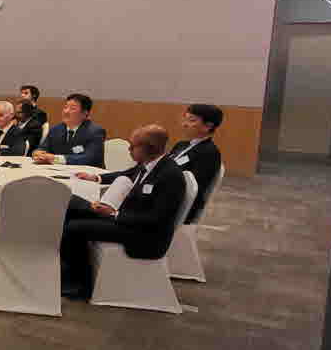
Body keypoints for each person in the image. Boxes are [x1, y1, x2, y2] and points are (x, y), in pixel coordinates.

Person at [59, 125, 186, 299]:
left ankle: (80, 286)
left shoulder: (170, 176)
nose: (129, 149)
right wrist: (97, 178)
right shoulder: (150, 164)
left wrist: (114, 214)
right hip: (128, 219)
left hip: (145, 235)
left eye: (133, 146)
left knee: (75, 228)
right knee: (73, 205)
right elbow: (125, 174)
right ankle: (68, 271)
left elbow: (157, 219)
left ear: (149, 148)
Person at [165, 103, 224, 224]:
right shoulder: (181, 145)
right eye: (185, 119)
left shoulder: (209, 153)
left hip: (178, 207)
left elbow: (192, 188)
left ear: (208, 126)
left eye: (191, 120)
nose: (184, 124)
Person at [33, 93, 106, 167]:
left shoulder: (95, 132)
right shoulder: (56, 129)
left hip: (89, 172)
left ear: (85, 113)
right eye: (65, 107)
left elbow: (88, 158)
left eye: (72, 108)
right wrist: (38, 153)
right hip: (59, 170)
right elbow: (43, 148)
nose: (66, 111)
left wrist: (55, 158)